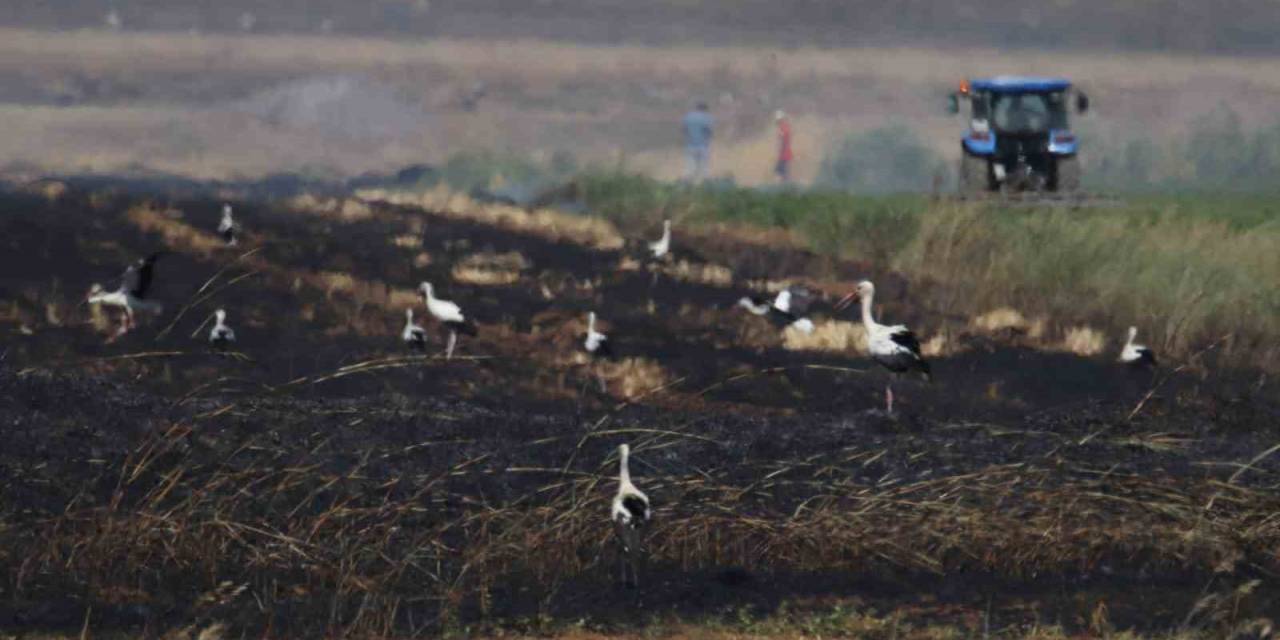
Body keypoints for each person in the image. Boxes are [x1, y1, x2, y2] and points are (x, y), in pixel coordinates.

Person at [681, 102, 713, 182]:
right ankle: (704, 185)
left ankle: (687, 184)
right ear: (705, 109)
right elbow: (709, 131)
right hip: (703, 146)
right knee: (704, 168)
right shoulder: (707, 117)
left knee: (690, 167)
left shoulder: (688, 117)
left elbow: (684, 130)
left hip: (690, 145)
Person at [774, 110, 793, 183]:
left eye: (778, 120)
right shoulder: (785, 127)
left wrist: (780, 152)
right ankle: (785, 185)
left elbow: (782, 141)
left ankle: (783, 187)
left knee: (780, 172)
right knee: (783, 172)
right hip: (785, 154)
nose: (777, 122)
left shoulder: (783, 128)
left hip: (784, 155)